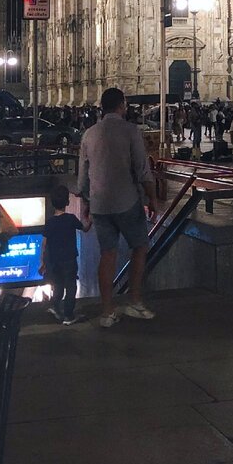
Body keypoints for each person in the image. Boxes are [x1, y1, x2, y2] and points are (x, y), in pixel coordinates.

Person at [77, 87, 159, 328]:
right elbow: (143, 169)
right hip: (126, 201)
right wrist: (152, 198)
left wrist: (86, 204)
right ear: (122, 105)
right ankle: (134, 300)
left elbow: (82, 178)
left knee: (107, 254)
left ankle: (107, 311)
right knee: (140, 246)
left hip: (99, 205)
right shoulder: (130, 130)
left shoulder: (89, 134)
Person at [42, 183, 91, 324]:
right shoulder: (71, 219)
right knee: (70, 286)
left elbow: (44, 244)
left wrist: (43, 262)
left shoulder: (50, 222)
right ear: (68, 202)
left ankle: (55, 307)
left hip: (55, 260)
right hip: (69, 259)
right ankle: (69, 315)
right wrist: (90, 218)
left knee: (57, 285)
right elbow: (85, 228)